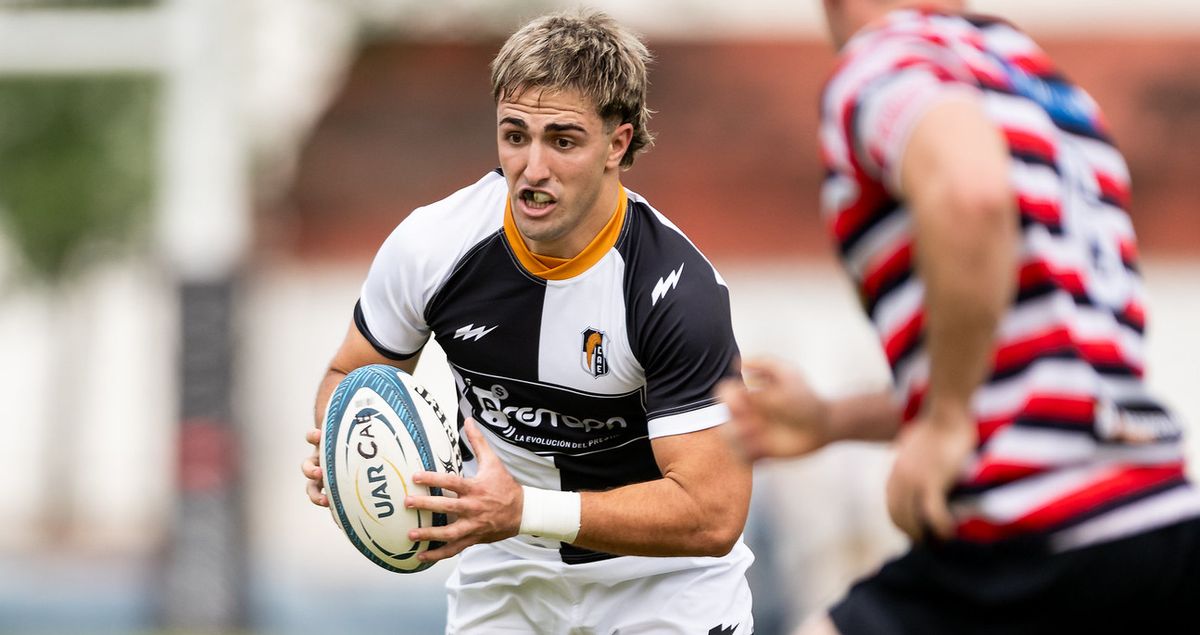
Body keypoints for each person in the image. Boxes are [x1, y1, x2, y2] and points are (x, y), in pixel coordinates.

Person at [719, 1, 1200, 633]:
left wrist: (945, 421)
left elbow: (971, 192)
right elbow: (1031, 372)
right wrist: (834, 421)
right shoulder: (1048, 91)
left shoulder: (887, 61)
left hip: (1031, 538)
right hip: (1157, 525)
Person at [301, 9, 754, 634]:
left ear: (617, 144)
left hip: (663, 583)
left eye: (563, 141)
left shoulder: (673, 291)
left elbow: (713, 513)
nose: (532, 169)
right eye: (515, 136)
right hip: (503, 572)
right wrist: (345, 447)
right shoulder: (432, 246)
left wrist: (524, 510)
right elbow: (351, 373)